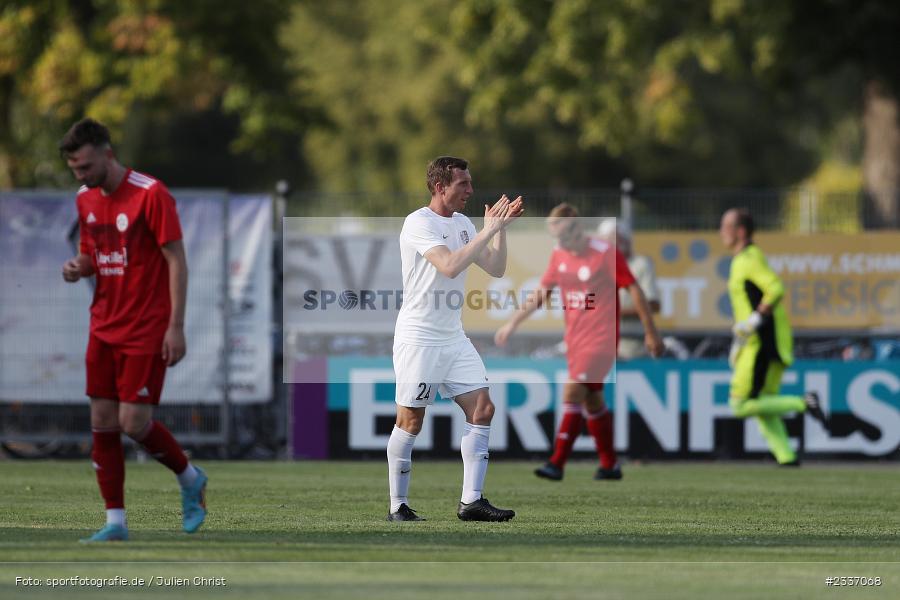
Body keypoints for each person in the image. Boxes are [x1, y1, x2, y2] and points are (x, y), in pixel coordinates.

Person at [60, 118, 207, 541]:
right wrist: (77, 267)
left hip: (145, 327)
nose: (82, 176)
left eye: (86, 167)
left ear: (108, 154)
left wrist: (175, 327)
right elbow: (90, 254)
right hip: (102, 324)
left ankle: (190, 478)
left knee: (132, 421)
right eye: (75, 170)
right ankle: (115, 522)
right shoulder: (85, 199)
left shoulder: (151, 194)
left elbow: (176, 261)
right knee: (102, 420)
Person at [387, 156, 523, 522]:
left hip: (452, 336)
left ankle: (471, 502)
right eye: (462, 183)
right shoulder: (418, 222)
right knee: (410, 421)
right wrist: (487, 230)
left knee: (483, 409)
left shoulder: (463, 223)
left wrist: (499, 229)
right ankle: (397, 506)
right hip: (419, 338)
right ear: (439, 187)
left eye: (469, 182)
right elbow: (448, 265)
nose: (470, 190)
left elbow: (496, 268)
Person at [495, 204, 664, 482]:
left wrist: (651, 333)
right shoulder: (560, 255)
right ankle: (609, 464)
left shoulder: (605, 253)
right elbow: (542, 292)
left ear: (576, 227)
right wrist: (513, 322)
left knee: (572, 392)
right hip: (575, 339)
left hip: (601, 339)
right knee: (593, 401)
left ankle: (556, 463)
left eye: (562, 235)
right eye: (555, 237)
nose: (559, 242)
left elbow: (635, 289)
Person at [719, 208, 827, 466]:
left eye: (726, 226)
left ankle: (803, 403)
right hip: (757, 341)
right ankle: (786, 457)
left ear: (741, 231)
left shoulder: (748, 258)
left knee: (740, 404)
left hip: (762, 343)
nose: (721, 232)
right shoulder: (743, 259)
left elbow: (775, 288)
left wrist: (755, 321)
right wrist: (739, 340)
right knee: (763, 405)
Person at [597, 218, 661, 360]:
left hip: (632, 345)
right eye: (605, 240)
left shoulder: (641, 264)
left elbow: (653, 305)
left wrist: (613, 311)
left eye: (613, 238)